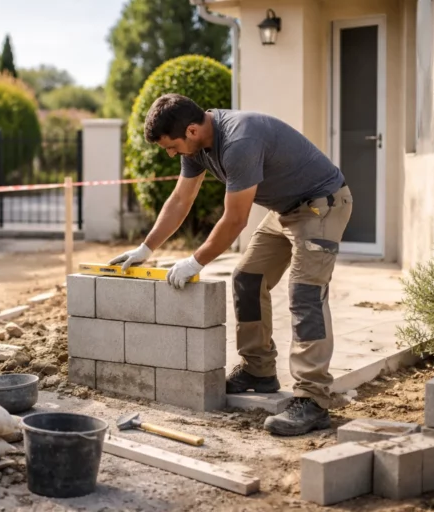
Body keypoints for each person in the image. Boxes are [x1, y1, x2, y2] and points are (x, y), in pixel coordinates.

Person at [109, 93, 352, 436]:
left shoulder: (240, 140)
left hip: (321, 205)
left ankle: (313, 399)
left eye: (172, 147)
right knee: (247, 279)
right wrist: (146, 248)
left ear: (192, 130)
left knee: (305, 294)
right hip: (286, 210)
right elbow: (180, 200)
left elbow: (236, 219)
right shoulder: (197, 147)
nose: (171, 154)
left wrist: (196, 261)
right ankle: (258, 370)